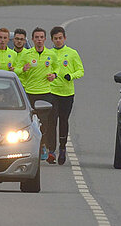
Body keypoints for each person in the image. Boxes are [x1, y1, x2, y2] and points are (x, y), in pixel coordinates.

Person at [16, 27, 58, 162]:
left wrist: (54, 75)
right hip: (30, 93)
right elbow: (15, 70)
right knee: (30, 122)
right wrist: (23, 69)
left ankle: (44, 146)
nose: (39, 40)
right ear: (33, 39)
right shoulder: (26, 54)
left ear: (45, 39)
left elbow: (57, 68)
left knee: (45, 122)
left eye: (41, 37)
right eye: (37, 37)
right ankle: (28, 147)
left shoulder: (51, 55)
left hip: (45, 93)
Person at [48, 26, 84, 165]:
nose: (58, 41)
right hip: (51, 92)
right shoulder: (48, 54)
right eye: (55, 38)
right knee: (52, 121)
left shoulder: (72, 53)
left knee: (63, 121)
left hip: (67, 93)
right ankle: (51, 150)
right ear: (52, 39)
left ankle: (62, 149)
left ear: (65, 38)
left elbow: (80, 70)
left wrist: (71, 76)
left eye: (60, 38)